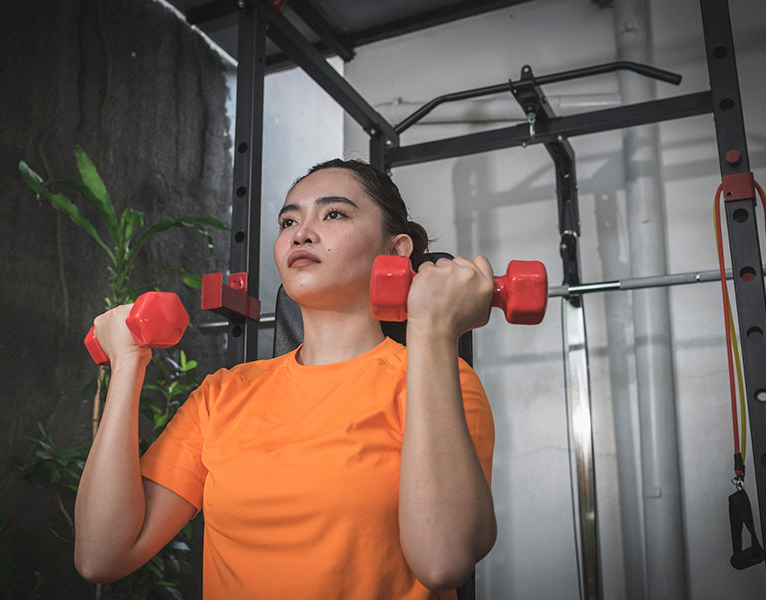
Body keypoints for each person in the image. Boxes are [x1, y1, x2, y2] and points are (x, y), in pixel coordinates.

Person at [74, 159, 497, 599]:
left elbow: (443, 561)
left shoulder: (441, 382)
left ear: (396, 250)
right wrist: (127, 364)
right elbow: (101, 556)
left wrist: (432, 330)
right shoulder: (222, 396)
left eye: (334, 214)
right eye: (288, 220)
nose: (301, 232)